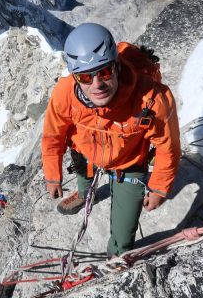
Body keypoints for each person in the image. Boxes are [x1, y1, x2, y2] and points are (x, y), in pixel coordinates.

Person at [41, 23, 181, 258]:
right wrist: (52, 175)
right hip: (86, 148)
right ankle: (86, 195)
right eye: (86, 77)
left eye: (104, 72)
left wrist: (159, 187)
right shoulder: (64, 93)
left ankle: (116, 257)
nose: (97, 84)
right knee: (83, 169)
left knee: (124, 232)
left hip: (129, 163)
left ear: (116, 66)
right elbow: (54, 134)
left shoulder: (150, 100)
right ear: (75, 77)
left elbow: (168, 147)